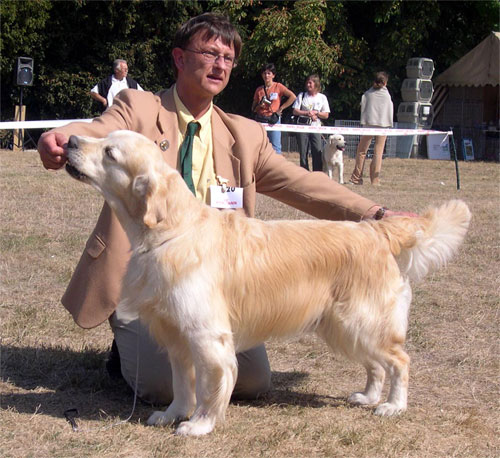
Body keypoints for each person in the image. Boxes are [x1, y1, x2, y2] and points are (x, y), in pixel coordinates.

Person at [37, 13, 416, 405]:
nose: (220, 64)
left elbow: (303, 185)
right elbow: (103, 130)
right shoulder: (139, 107)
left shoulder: (245, 134)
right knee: (162, 386)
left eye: (229, 57)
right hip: (147, 274)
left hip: (215, 283)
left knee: (250, 382)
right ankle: (132, 344)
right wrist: (62, 138)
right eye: (210, 53)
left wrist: (375, 213)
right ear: (180, 59)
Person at [349, 71, 393, 186]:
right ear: (385, 82)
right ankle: (375, 180)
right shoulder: (386, 95)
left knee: (361, 151)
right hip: (383, 126)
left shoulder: (368, 94)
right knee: (378, 153)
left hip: (369, 125)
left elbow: (363, 106)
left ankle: (356, 178)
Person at [251, 63, 296, 154]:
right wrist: (260, 105)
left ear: (273, 75)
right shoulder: (259, 90)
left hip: (273, 119)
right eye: (264, 73)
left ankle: (276, 167)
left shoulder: (278, 86)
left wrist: (281, 108)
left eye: (269, 73)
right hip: (261, 119)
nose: (266, 76)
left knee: (276, 147)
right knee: (260, 146)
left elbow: (293, 97)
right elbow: (253, 108)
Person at [292, 74, 330, 171]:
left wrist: (316, 113)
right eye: (307, 82)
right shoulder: (302, 95)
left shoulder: (322, 97)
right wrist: (306, 113)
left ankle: (317, 174)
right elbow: (295, 111)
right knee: (303, 152)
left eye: (310, 83)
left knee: (317, 151)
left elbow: (326, 115)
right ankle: (304, 173)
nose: (308, 85)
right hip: (302, 127)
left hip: (316, 127)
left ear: (316, 84)